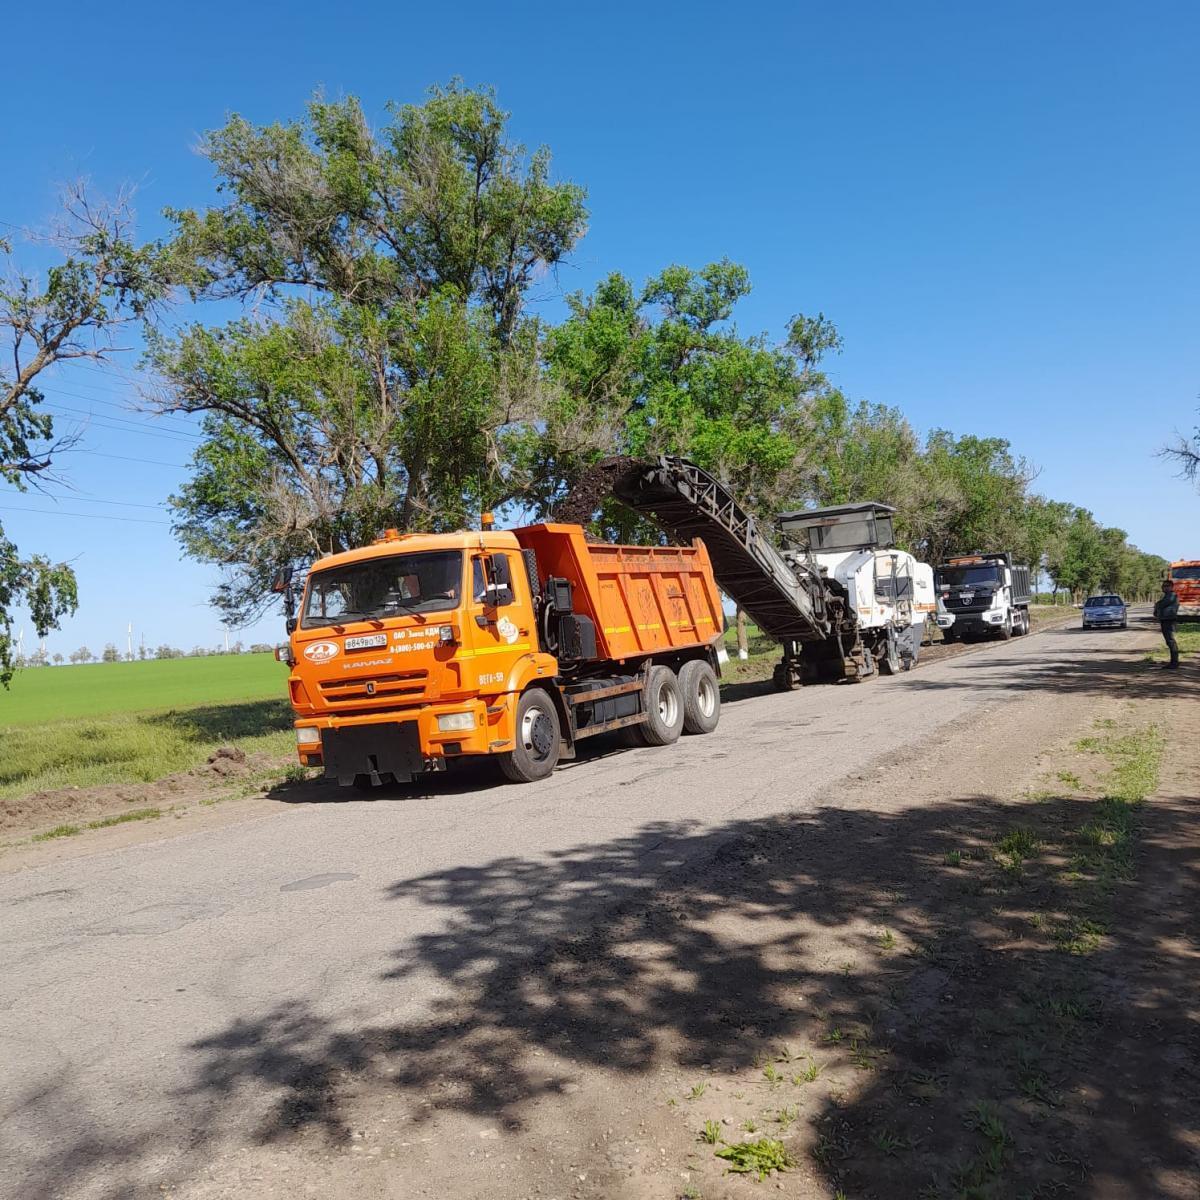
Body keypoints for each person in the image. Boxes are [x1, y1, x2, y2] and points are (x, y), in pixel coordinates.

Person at [1153, 578, 1180, 669]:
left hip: (1169, 620)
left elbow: (1162, 604)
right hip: (1165, 620)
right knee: (1169, 641)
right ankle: (1173, 662)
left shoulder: (1172, 595)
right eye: (1163, 586)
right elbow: (1160, 605)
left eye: (1166, 586)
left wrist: (1157, 605)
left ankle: (1174, 662)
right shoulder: (1167, 596)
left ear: (1171, 587)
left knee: (1171, 641)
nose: (1164, 588)